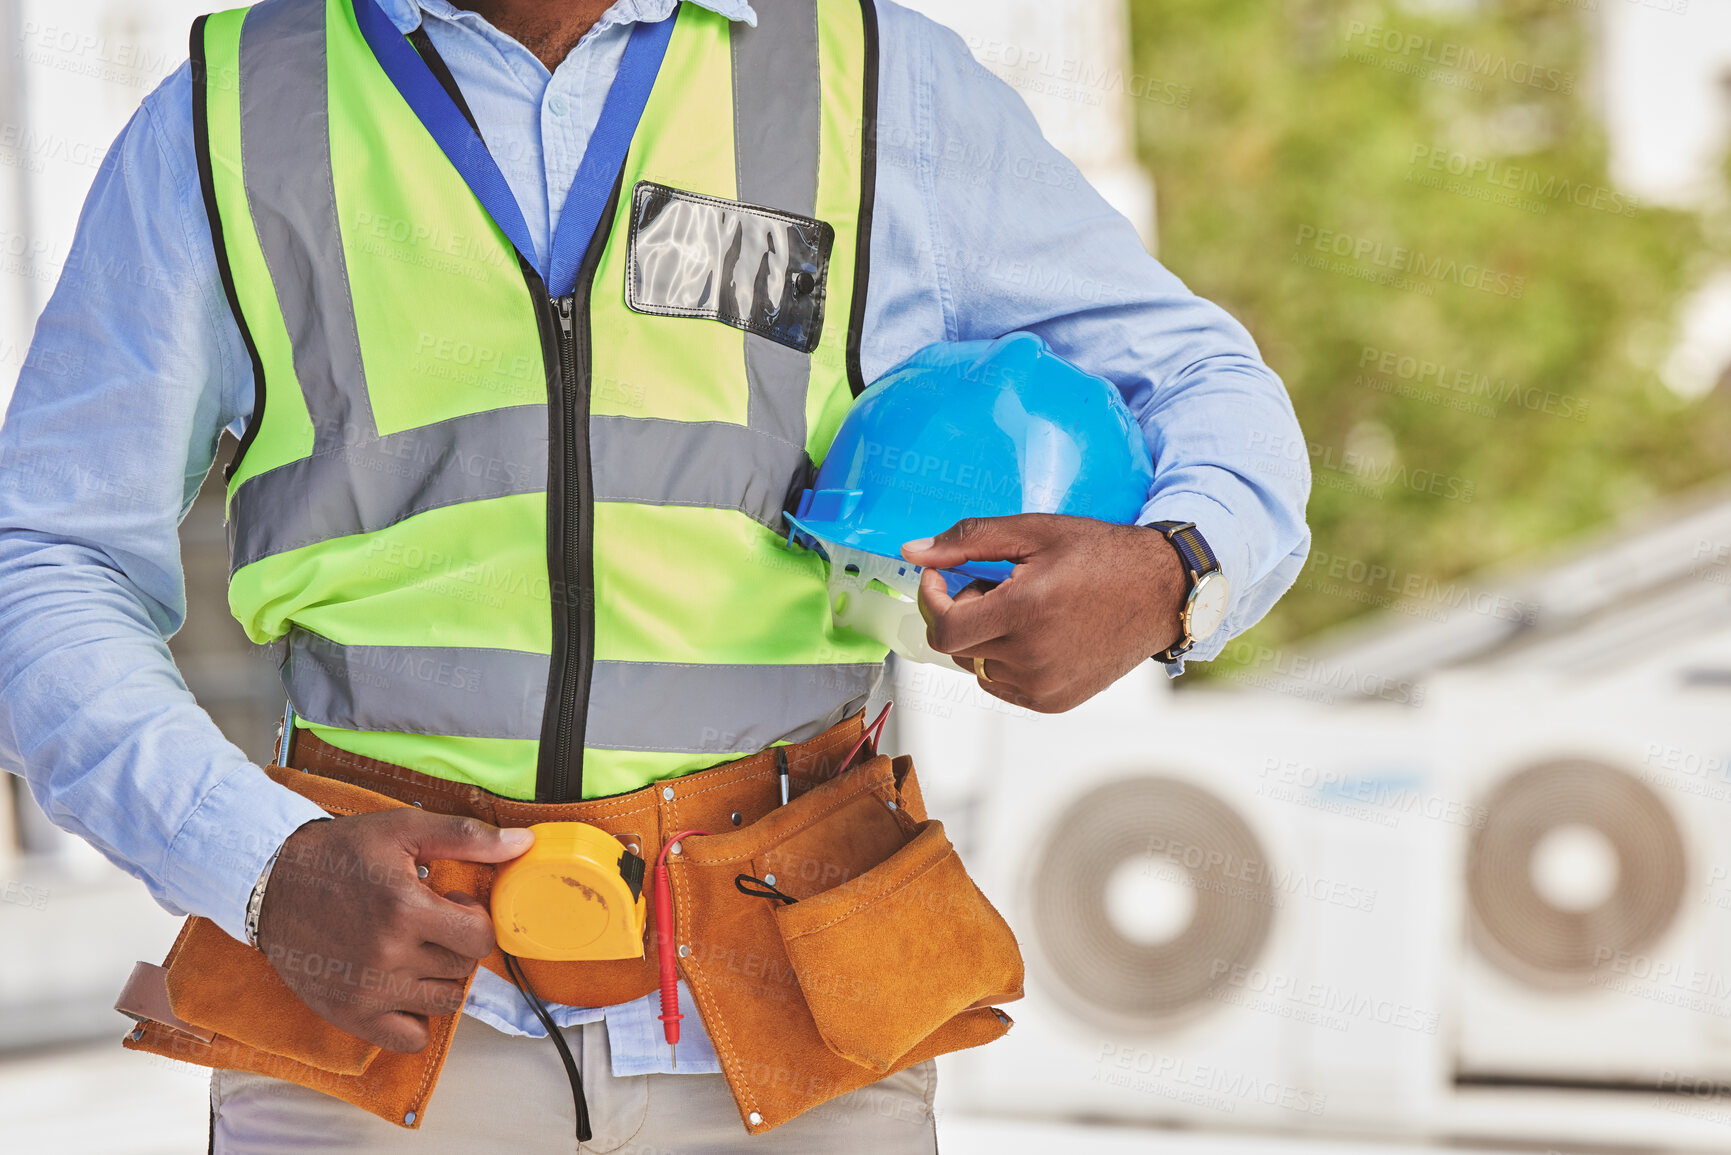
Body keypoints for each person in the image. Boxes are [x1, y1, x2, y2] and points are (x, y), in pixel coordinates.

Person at [0, 0, 1310, 1151]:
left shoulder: (875, 79)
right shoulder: (229, 116)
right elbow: (43, 556)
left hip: (794, 998)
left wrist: (1177, 568)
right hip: (374, 1006)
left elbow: (1198, 378)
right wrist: (253, 862)